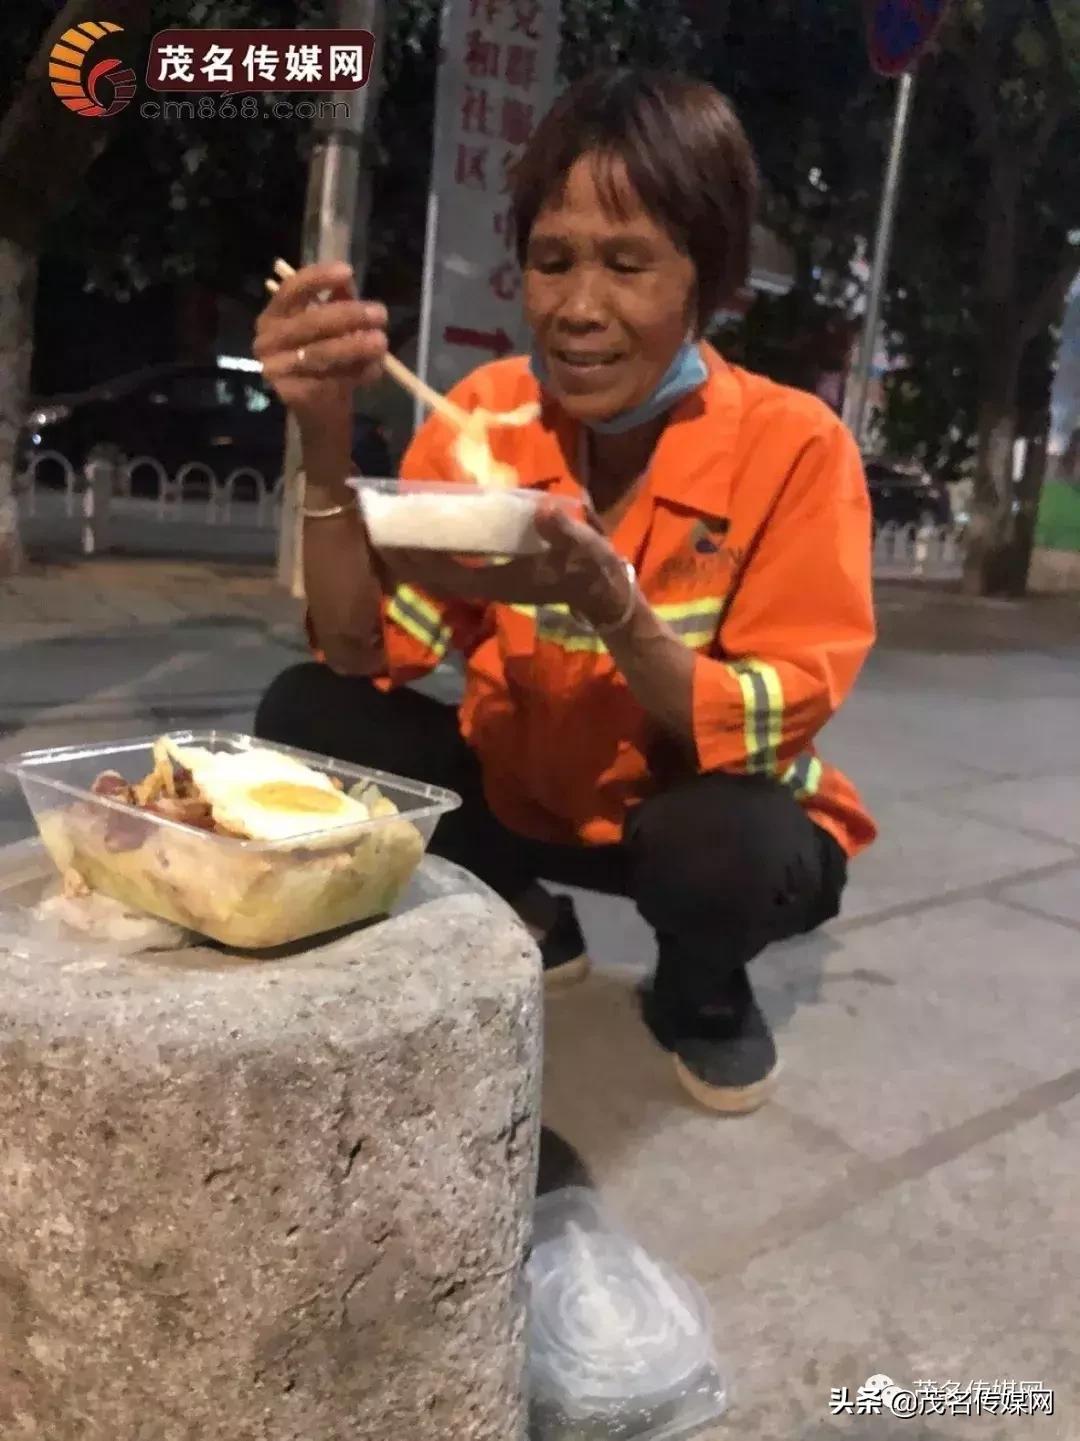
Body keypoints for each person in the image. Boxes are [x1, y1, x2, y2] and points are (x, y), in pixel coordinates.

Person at [253, 69, 877, 1116]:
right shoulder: (487, 415)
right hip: (521, 797)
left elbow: (770, 723)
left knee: (736, 846)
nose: (580, 309)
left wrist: (614, 606)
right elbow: (362, 652)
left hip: (683, 828)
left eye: (628, 264)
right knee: (309, 715)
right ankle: (530, 912)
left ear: (707, 282)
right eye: (554, 261)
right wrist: (322, 442)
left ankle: (700, 983)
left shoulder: (795, 446)